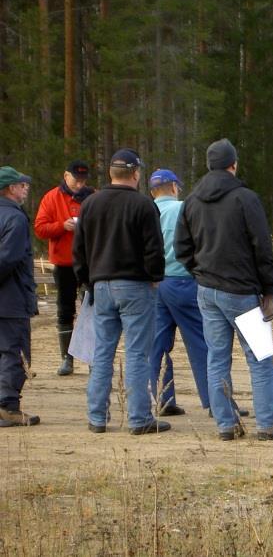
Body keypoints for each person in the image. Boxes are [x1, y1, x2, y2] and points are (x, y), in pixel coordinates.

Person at [175, 138, 273, 441]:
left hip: (207, 290)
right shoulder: (245, 198)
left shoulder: (191, 200)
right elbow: (261, 247)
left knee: (217, 359)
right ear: (233, 164)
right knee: (261, 358)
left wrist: (199, 272)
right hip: (241, 293)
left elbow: (182, 248)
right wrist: (271, 288)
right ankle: (268, 422)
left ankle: (226, 424)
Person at [73, 149, 169, 435]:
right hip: (136, 285)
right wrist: (155, 276)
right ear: (136, 173)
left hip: (101, 284)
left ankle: (97, 417)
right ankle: (139, 418)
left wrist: (86, 282)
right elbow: (155, 248)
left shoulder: (90, 204)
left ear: (110, 173)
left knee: (102, 353)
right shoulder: (143, 205)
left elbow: (79, 249)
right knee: (137, 353)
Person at [147, 169, 209, 417]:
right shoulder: (185, 209)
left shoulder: (147, 211)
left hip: (154, 285)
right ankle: (215, 400)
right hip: (184, 281)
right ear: (174, 187)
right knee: (201, 344)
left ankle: (163, 398)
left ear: (153, 191)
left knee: (157, 345)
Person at [34, 159, 94, 376]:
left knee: (90, 310)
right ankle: (66, 358)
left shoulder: (93, 196)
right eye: (76, 180)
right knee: (65, 310)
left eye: (83, 181)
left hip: (89, 262)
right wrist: (62, 226)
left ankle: (91, 357)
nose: (79, 184)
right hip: (64, 263)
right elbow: (40, 229)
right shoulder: (52, 197)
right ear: (66, 176)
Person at [0, 166, 39, 427]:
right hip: (11, 297)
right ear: (10, 189)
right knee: (13, 352)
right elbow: (9, 258)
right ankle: (8, 407)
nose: (25, 188)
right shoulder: (14, 218)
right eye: (21, 185)